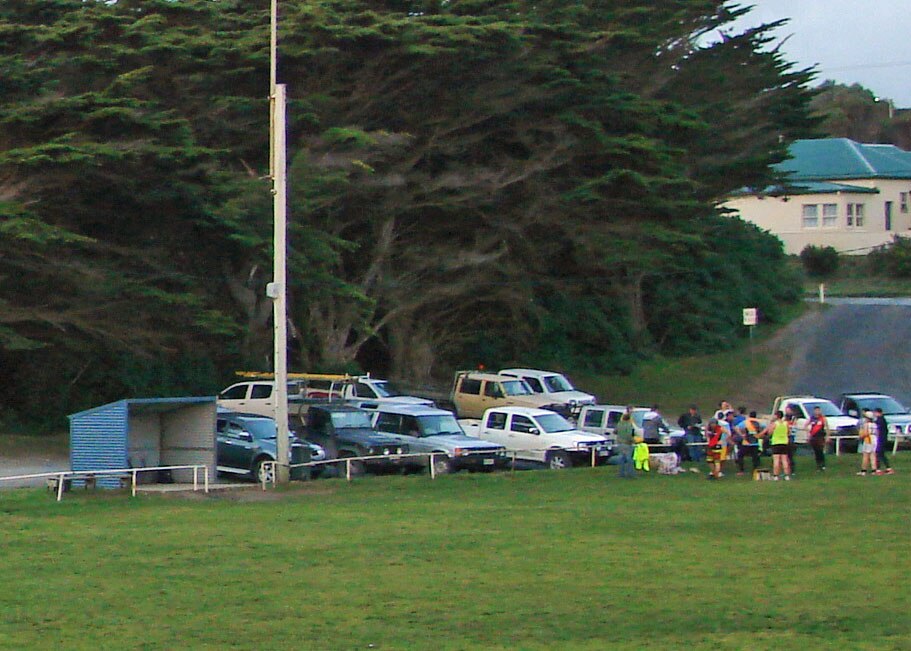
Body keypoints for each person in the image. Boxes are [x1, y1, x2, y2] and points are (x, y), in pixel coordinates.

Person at [764, 411, 791, 481]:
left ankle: (776, 475)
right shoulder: (786, 423)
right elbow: (788, 432)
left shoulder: (774, 424)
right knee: (784, 460)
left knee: (776, 460)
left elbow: (769, 433)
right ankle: (787, 475)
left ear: (776, 416)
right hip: (784, 442)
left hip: (776, 442)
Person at [734, 410, 761, 475]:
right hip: (755, 442)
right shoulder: (758, 422)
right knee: (755, 457)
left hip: (746, 442)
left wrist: (741, 435)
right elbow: (765, 428)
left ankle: (741, 470)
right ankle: (755, 470)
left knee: (740, 455)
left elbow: (736, 428)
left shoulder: (746, 422)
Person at [614, 412, 636, 479]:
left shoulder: (619, 424)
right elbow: (629, 434)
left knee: (622, 459)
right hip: (627, 444)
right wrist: (632, 441)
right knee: (629, 459)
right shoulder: (629, 425)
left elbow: (615, 432)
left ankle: (621, 473)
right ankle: (631, 474)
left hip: (620, 443)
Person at [857, 411, 879, 476]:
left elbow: (865, 433)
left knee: (865, 455)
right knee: (873, 455)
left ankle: (863, 471)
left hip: (868, 440)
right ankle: (874, 470)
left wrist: (861, 435)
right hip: (874, 439)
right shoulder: (875, 425)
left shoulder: (866, 424)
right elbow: (877, 433)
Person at [873, 408, 894, 475]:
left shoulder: (879, 420)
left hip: (880, 439)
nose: (874, 414)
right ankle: (888, 468)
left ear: (878, 413)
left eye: (875, 413)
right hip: (883, 439)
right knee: (881, 454)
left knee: (878, 454)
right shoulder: (883, 420)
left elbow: (878, 430)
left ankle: (878, 469)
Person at [807, 405, 828, 471]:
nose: (817, 412)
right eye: (816, 410)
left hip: (820, 437)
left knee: (820, 450)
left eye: (818, 410)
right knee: (816, 451)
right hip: (814, 437)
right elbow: (806, 425)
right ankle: (818, 464)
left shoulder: (823, 418)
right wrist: (808, 433)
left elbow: (827, 427)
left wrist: (828, 436)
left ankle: (823, 464)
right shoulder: (812, 418)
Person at [783, 404, 797, 475]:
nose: (786, 411)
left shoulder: (793, 418)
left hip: (790, 438)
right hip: (784, 438)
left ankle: (792, 470)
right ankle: (786, 469)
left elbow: (792, 427)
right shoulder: (784, 418)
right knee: (784, 455)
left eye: (788, 409)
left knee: (790, 455)